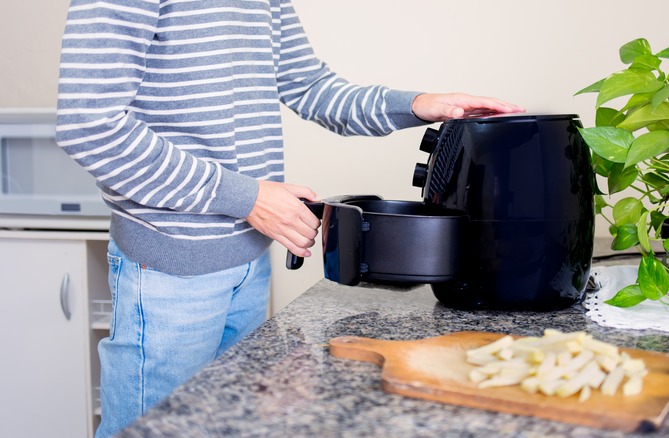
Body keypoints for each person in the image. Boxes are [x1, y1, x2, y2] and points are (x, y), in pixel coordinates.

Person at [56, 1, 522, 436]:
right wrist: (248, 197)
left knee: (224, 425)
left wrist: (417, 104)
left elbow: (309, 86)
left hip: (249, 259)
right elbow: (89, 125)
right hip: (170, 268)